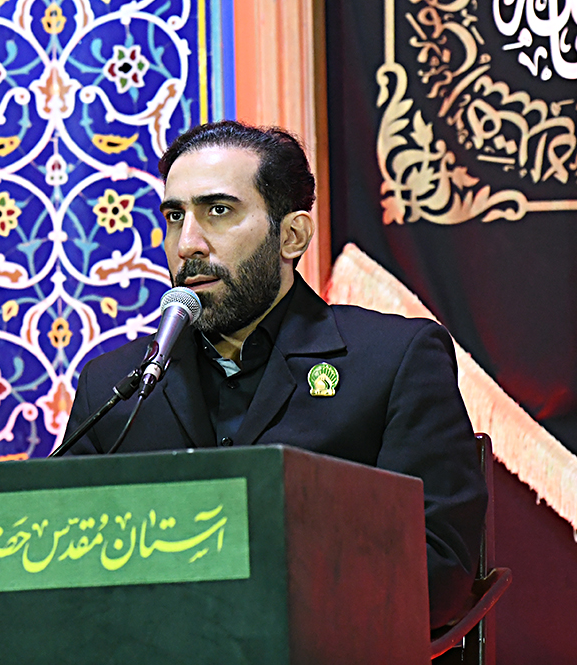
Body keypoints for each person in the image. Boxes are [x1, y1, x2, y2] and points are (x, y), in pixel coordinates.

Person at [59, 121, 487, 627]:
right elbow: (62, 560)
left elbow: (440, 572)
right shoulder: (116, 385)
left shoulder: (393, 362)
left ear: (292, 235)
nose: (187, 243)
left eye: (219, 211)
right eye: (175, 216)